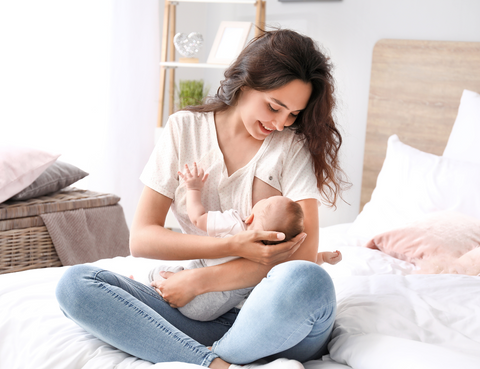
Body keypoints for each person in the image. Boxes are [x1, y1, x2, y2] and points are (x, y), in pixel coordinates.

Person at [56, 28, 348, 369]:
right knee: (76, 285)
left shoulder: (290, 147)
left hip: (273, 316)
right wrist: (232, 246)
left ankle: (203, 353)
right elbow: (143, 238)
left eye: (293, 114)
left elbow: (304, 254)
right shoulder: (184, 129)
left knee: (308, 281)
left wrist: (199, 280)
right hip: (194, 311)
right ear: (245, 82)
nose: (281, 123)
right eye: (274, 106)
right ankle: (214, 363)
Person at [148, 162, 342, 322]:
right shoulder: (274, 254)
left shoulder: (235, 223)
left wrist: (193, 188)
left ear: (250, 218)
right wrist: (323, 257)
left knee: (157, 273)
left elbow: (197, 218)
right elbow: (297, 266)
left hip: (196, 284)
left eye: (265, 201)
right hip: (216, 310)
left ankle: (148, 287)